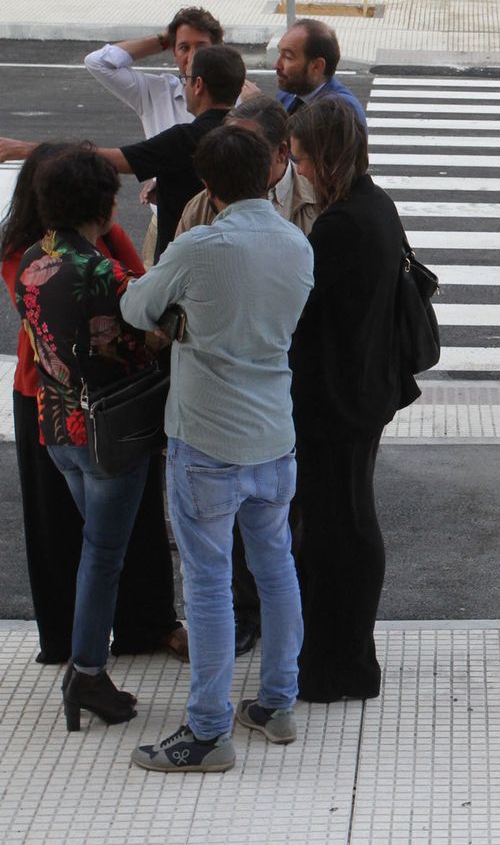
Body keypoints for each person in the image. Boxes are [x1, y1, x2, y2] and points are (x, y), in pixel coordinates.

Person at [123, 124, 314, 773]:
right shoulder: (297, 242)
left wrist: (179, 319)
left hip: (205, 437)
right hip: (275, 435)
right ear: (271, 172)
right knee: (276, 565)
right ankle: (276, 703)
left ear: (206, 183)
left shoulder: (198, 244)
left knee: (207, 583)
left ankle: (207, 730)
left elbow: (135, 306)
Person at [3, 146, 184, 668]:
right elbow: (149, 307)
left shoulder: (35, 256)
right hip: (79, 399)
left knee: (114, 534)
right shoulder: (75, 258)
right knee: (89, 543)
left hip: (64, 404)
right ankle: (80, 663)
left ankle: (135, 630)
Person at [287, 98, 420, 703]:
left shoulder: (341, 226)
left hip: (334, 399)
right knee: (349, 521)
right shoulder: (376, 205)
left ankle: (337, 666)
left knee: (336, 532)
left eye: (303, 156)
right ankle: (350, 662)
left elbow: (303, 311)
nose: (299, 167)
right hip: (366, 388)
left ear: (325, 156)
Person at [0, 45, 244, 265]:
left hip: (185, 262)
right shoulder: (245, 132)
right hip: (234, 252)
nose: (184, 85)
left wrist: (25, 149)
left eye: (185, 79)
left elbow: (109, 159)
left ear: (198, 85)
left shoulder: (186, 137)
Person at [82, 7, 224, 261]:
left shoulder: (236, 94)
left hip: (219, 227)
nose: (192, 57)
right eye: (183, 48)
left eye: (200, 47)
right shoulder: (156, 92)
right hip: (166, 224)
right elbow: (97, 62)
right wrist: (161, 39)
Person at [175, 96, 319, 237]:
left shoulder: (319, 198)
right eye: (228, 146)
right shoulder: (200, 207)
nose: (233, 157)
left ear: (281, 152)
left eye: (248, 149)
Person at [255, 19, 367, 125]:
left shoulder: (340, 111)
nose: (277, 65)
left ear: (317, 67)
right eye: (280, 54)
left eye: (288, 57)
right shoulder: (289, 95)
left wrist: (257, 109)